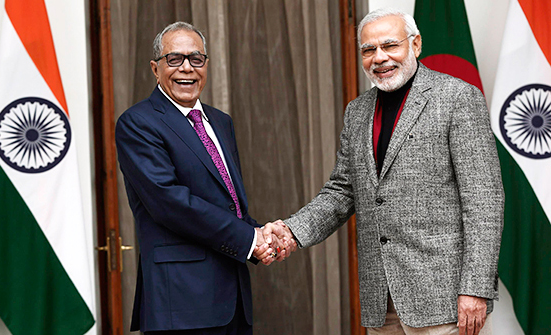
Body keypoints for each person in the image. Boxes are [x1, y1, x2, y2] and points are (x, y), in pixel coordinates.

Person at [264, 8, 504, 335]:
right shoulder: (357, 110)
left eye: (390, 45)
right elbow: (341, 191)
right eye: (368, 50)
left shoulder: (457, 97)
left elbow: (483, 202)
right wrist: (292, 231)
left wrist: (475, 288)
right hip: (381, 300)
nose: (379, 58)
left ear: (415, 44)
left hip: (444, 299)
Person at [115, 22, 288, 335]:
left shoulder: (220, 122)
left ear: (206, 65)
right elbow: (170, 203)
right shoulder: (137, 123)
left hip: (233, 298)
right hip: (181, 303)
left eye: (196, 59)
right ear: (155, 69)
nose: (187, 68)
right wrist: (250, 240)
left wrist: (262, 234)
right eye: (174, 59)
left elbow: (228, 204)